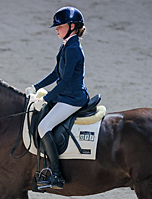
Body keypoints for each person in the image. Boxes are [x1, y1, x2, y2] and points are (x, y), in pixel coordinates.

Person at [26, 6, 89, 189]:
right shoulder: (66, 45)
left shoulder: (73, 49)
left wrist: (46, 98)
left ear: (72, 26)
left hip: (73, 98)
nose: (56, 29)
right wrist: (36, 87)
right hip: (65, 94)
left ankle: (57, 175)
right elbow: (56, 73)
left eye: (59, 26)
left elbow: (65, 82)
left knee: (44, 126)